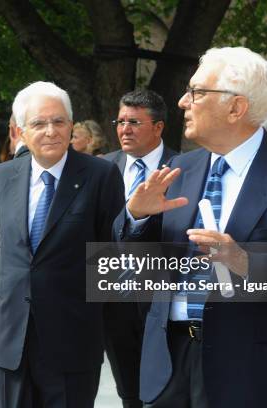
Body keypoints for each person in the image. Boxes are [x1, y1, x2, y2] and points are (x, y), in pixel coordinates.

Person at [115, 47, 267, 408]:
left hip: (256, 373)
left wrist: (244, 260)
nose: (184, 101)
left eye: (198, 92)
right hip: (171, 363)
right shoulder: (177, 170)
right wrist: (136, 218)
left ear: (237, 107)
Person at [0, 81, 124, 407]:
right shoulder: (2, 176)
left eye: (59, 121)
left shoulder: (100, 175)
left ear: (71, 125)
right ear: (20, 131)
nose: (51, 131)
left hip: (72, 340)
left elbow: (113, 256)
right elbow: (0, 249)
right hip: (13, 338)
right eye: (38, 123)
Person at [102, 89, 178, 408]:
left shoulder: (182, 169)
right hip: (112, 297)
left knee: (165, 392)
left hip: (161, 299)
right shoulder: (103, 168)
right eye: (120, 121)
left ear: (158, 127)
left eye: (134, 122)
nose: (124, 129)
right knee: (128, 393)